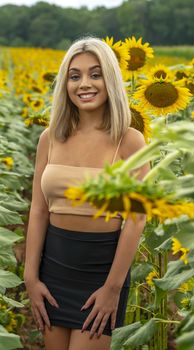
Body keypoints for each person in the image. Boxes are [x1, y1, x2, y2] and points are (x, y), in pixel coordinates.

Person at [23, 36, 150, 350]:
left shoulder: (129, 140)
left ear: (110, 80)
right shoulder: (50, 137)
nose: (85, 84)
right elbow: (39, 210)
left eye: (95, 74)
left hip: (101, 276)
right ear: (65, 84)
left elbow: (136, 219)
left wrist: (113, 289)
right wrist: (30, 277)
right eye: (75, 75)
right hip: (51, 271)